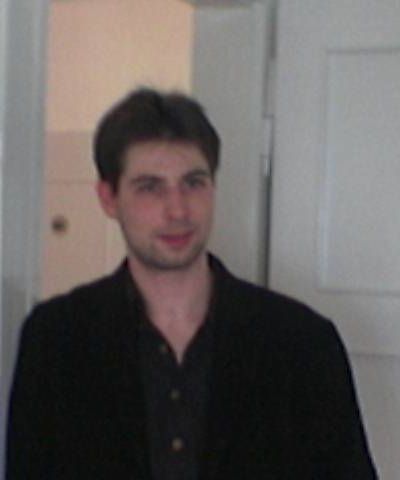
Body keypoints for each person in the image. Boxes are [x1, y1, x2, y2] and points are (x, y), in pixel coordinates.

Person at [6, 88, 378, 479]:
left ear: (213, 187)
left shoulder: (302, 343)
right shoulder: (56, 340)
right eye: (150, 187)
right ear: (109, 198)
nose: (178, 209)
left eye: (193, 182)